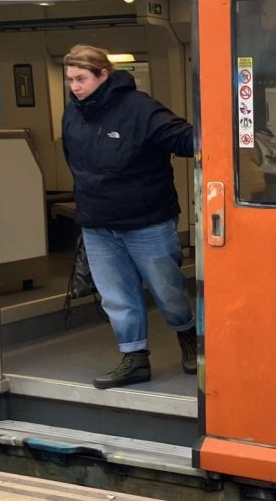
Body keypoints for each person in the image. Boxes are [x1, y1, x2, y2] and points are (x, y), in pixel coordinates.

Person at [61, 44, 198, 389]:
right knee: (117, 296)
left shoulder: (140, 108)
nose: (75, 86)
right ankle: (134, 358)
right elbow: (73, 160)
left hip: (147, 220)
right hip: (98, 222)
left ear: (104, 75)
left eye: (81, 78)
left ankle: (188, 337)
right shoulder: (72, 113)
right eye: (70, 79)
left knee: (168, 289)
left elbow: (185, 140)